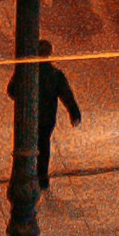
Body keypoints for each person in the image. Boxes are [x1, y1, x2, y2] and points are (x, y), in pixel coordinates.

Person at [27, 50, 82, 191]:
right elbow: (67, 95)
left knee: (27, 145)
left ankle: (27, 175)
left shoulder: (27, 72)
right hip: (46, 118)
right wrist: (74, 113)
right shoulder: (55, 75)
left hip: (29, 117)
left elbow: (12, 90)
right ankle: (42, 179)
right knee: (43, 146)